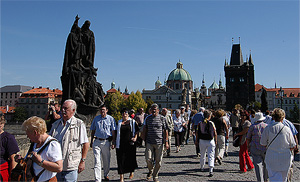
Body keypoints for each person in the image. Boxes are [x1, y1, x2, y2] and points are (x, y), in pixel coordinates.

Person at [49, 99, 89, 182]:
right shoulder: (56, 125)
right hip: (56, 165)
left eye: (66, 108)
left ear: (73, 110)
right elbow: (48, 142)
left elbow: (85, 144)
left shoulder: (79, 124)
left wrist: (83, 161)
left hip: (71, 165)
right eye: (62, 108)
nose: (63, 110)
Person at [19, 116, 63, 181]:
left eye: (28, 133)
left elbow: (59, 168)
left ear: (35, 132)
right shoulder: (35, 143)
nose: (27, 136)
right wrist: (22, 159)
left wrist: (40, 162)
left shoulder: (52, 144)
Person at [260, 108, 296, 182]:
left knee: (273, 177)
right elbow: (293, 145)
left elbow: (262, 143)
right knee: (284, 178)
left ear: (273, 117)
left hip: (271, 157)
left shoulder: (268, 128)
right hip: (285, 158)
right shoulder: (287, 129)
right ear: (282, 118)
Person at [141, 103, 169, 182]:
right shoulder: (147, 118)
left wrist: (166, 142)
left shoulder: (162, 118)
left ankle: (155, 175)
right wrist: (143, 139)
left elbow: (166, 130)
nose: (153, 111)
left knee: (158, 161)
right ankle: (151, 170)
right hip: (149, 142)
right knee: (148, 159)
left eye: (155, 109)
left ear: (158, 110)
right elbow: (145, 129)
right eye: (152, 109)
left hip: (159, 143)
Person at [90, 105, 116, 182]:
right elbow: (93, 130)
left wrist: (114, 141)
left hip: (106, 141)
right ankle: (97, 179)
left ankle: (106, 174)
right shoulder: (96, 119)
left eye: (104, 110)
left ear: (107, 110)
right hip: (97, 141)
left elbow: (113, 131)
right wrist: (91, 141)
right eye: (101, 110)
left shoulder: (111, 119)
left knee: (106, 160)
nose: (102, 111)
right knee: (97, 160)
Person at [116, 109, 139, 182]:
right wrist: (114, 142)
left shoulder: (132, 121)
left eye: (125, 112)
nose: (124, 114)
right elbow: (115, 132)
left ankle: (131, 171)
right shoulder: (119, 122)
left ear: (128, 114)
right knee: (120, 160)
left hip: (130, 143)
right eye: (123, 113)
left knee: (130, 158)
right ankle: (121, 177)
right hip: (120, 143)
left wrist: (135, 138)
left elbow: (137, 130)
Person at [246, 112, 268, 182]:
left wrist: (248, 147)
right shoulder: (267, 126)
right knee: (266, 165)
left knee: (258, 166)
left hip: (255, 147)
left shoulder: (252, 126)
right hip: (265, 148)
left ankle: (260, 180)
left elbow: (248, 138)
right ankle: (266, 179)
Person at [195, 110, 217, 177]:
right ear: (209, 116)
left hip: (202, 140)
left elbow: (197, 133)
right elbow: (215, 133)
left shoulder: (200, 123)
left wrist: (196, 140)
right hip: (210, 141)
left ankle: (202, 167)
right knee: (211, 155)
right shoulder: (211, 123)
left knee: (202, 154)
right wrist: (215, 140)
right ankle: (211, 170)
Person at [0, 116, 19, 181]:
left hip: (2, 171)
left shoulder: (8, 138)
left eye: (1, 123)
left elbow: (13, 159)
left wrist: (12, 177)